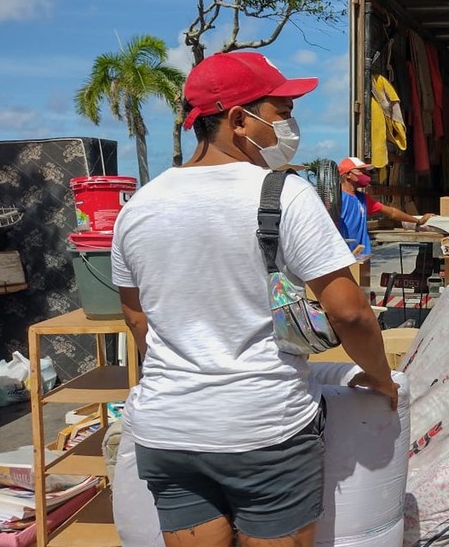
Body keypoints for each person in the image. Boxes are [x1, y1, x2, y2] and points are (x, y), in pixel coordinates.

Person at [111, 51, 398, 547]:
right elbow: (349, 312)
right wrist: (379, 376)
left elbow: (136, 317)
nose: (289, 125)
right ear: (240, 120)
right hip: (263, 429)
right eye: (281, 112)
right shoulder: (285, 194)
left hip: (166, 430)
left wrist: (185, 369)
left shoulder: (138, 207)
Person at [337, 156, 434, 256]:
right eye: (361, 171)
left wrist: (418, 221)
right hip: (343, 256)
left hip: (362, 255)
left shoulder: (363, 198)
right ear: (348, 174)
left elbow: (392, 212)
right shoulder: (337, 199)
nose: (366, 175)